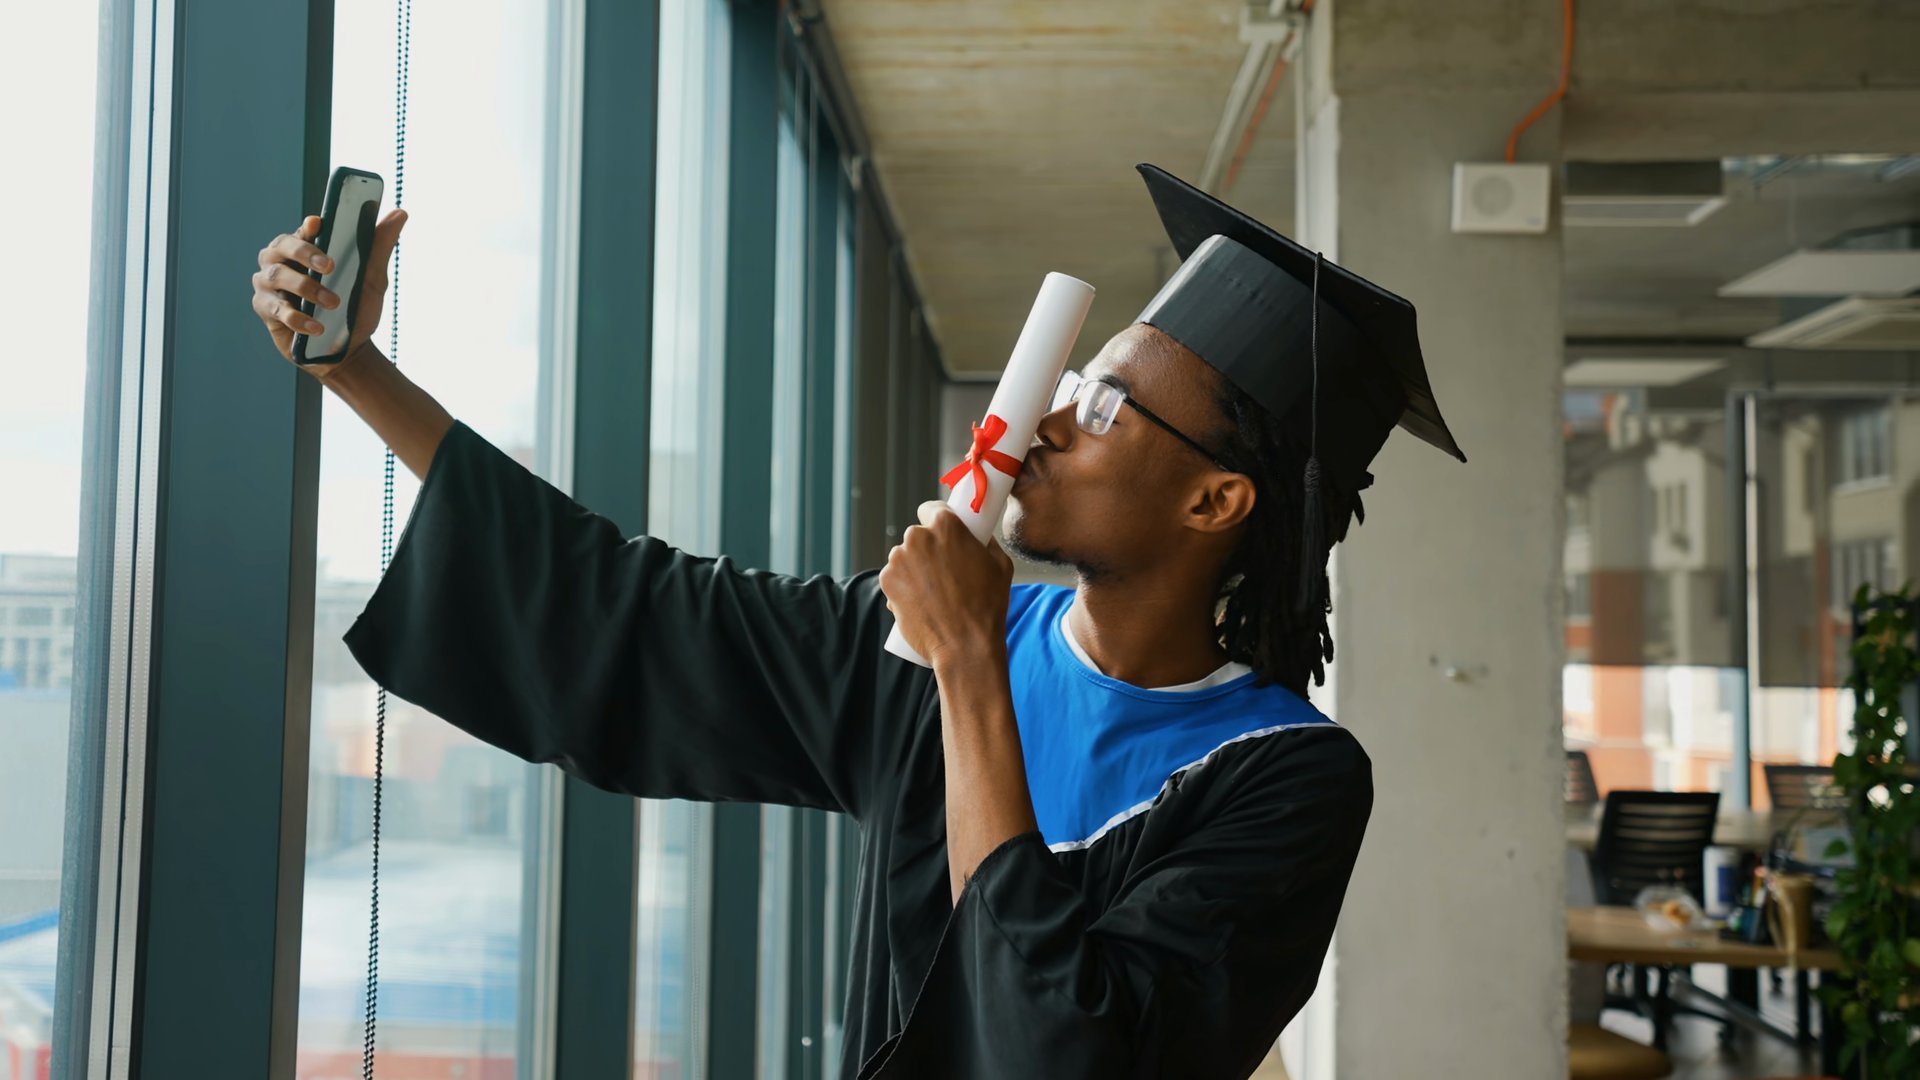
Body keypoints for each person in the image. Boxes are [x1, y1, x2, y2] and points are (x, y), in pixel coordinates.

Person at [250, 164, 1464, 1079]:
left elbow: (1062, 1043)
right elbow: (631, 610)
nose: (1044, 424)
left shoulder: (1285, 778)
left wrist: (970, 663)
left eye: (1102, 409)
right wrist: (356, 368)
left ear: (1215, 500)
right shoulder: (925, 645)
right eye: (1070, 385)